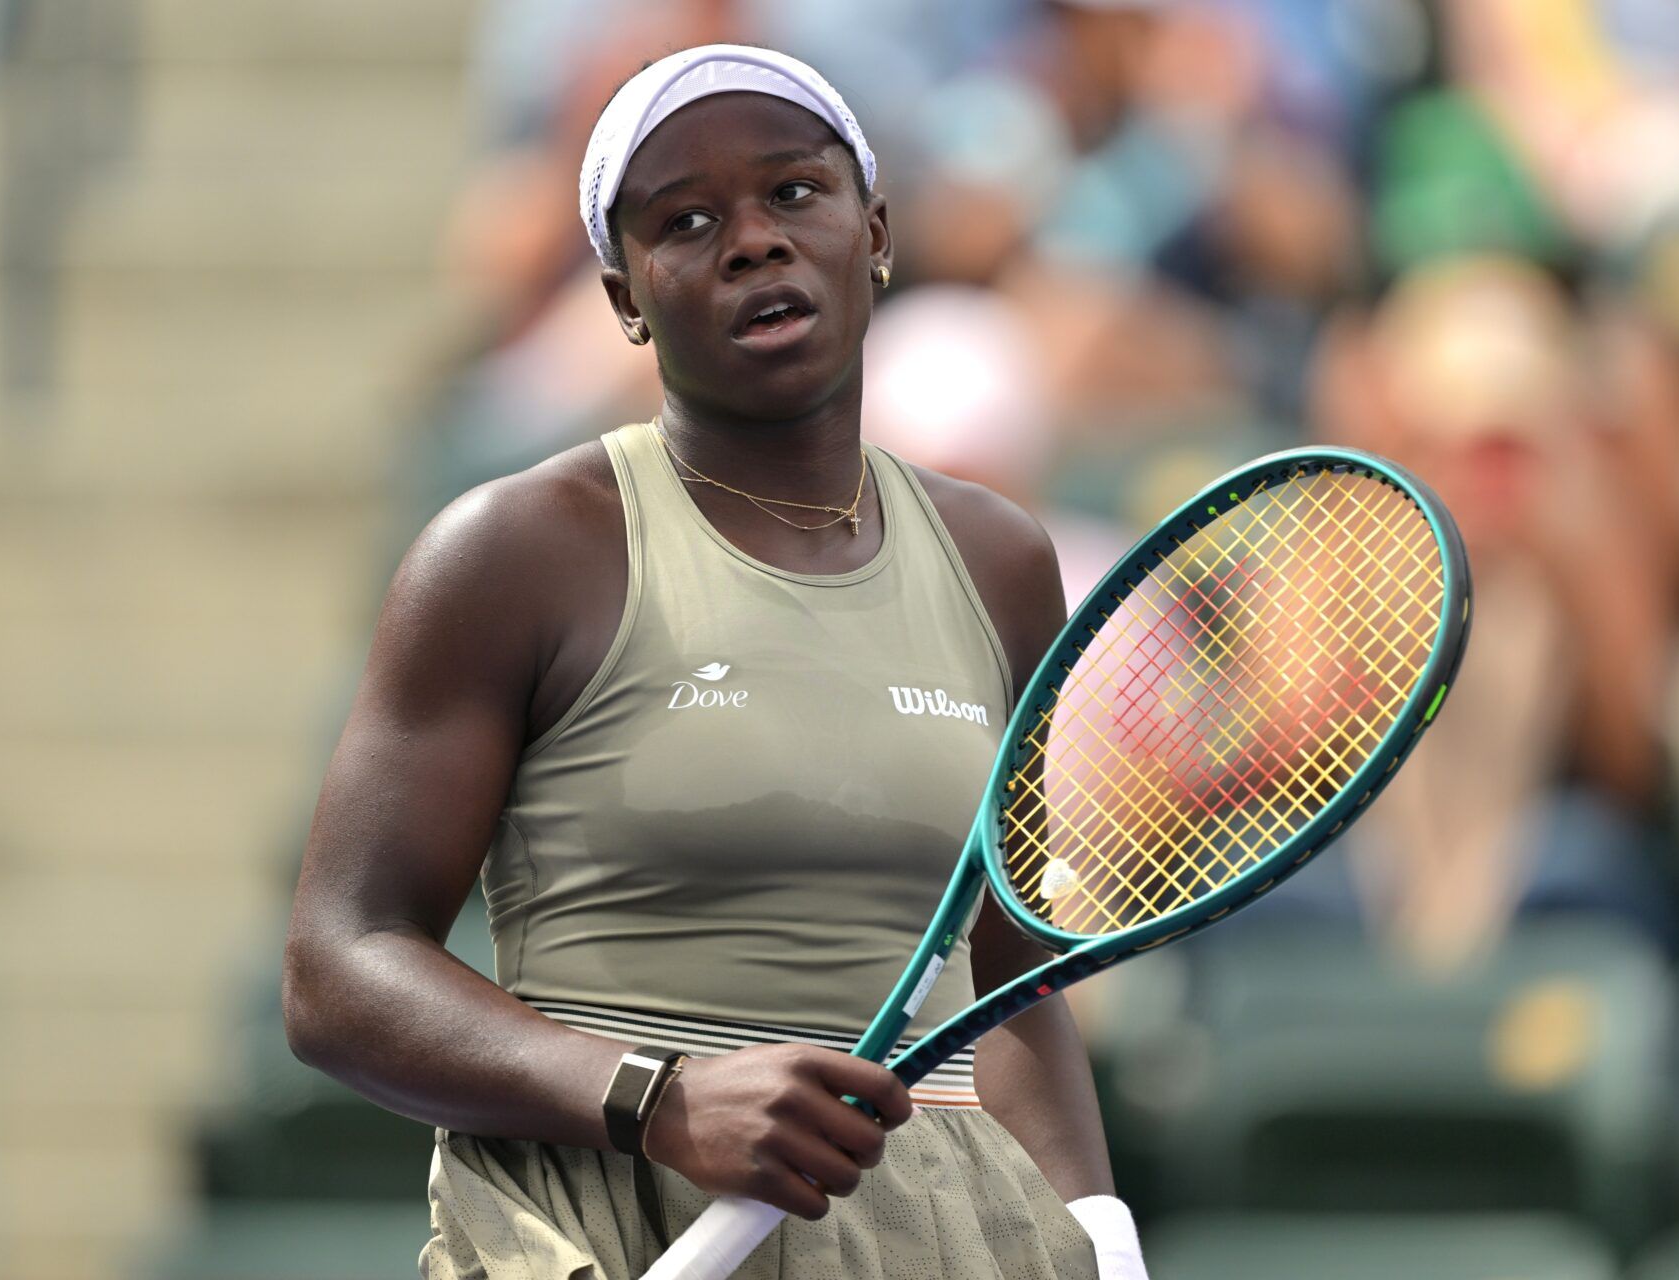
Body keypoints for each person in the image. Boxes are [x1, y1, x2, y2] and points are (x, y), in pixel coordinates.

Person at [282, 44, 1141, 1280]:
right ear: (624, 295)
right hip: (602, 1214)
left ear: (877, 229)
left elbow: (1011, 984)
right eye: (685, 221)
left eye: (795, 193)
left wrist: (1102, 1238)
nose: (753, 241)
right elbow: (336, 968)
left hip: (949, 1231)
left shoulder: (1000, 559)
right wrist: (659, 1097)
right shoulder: (516, 549)